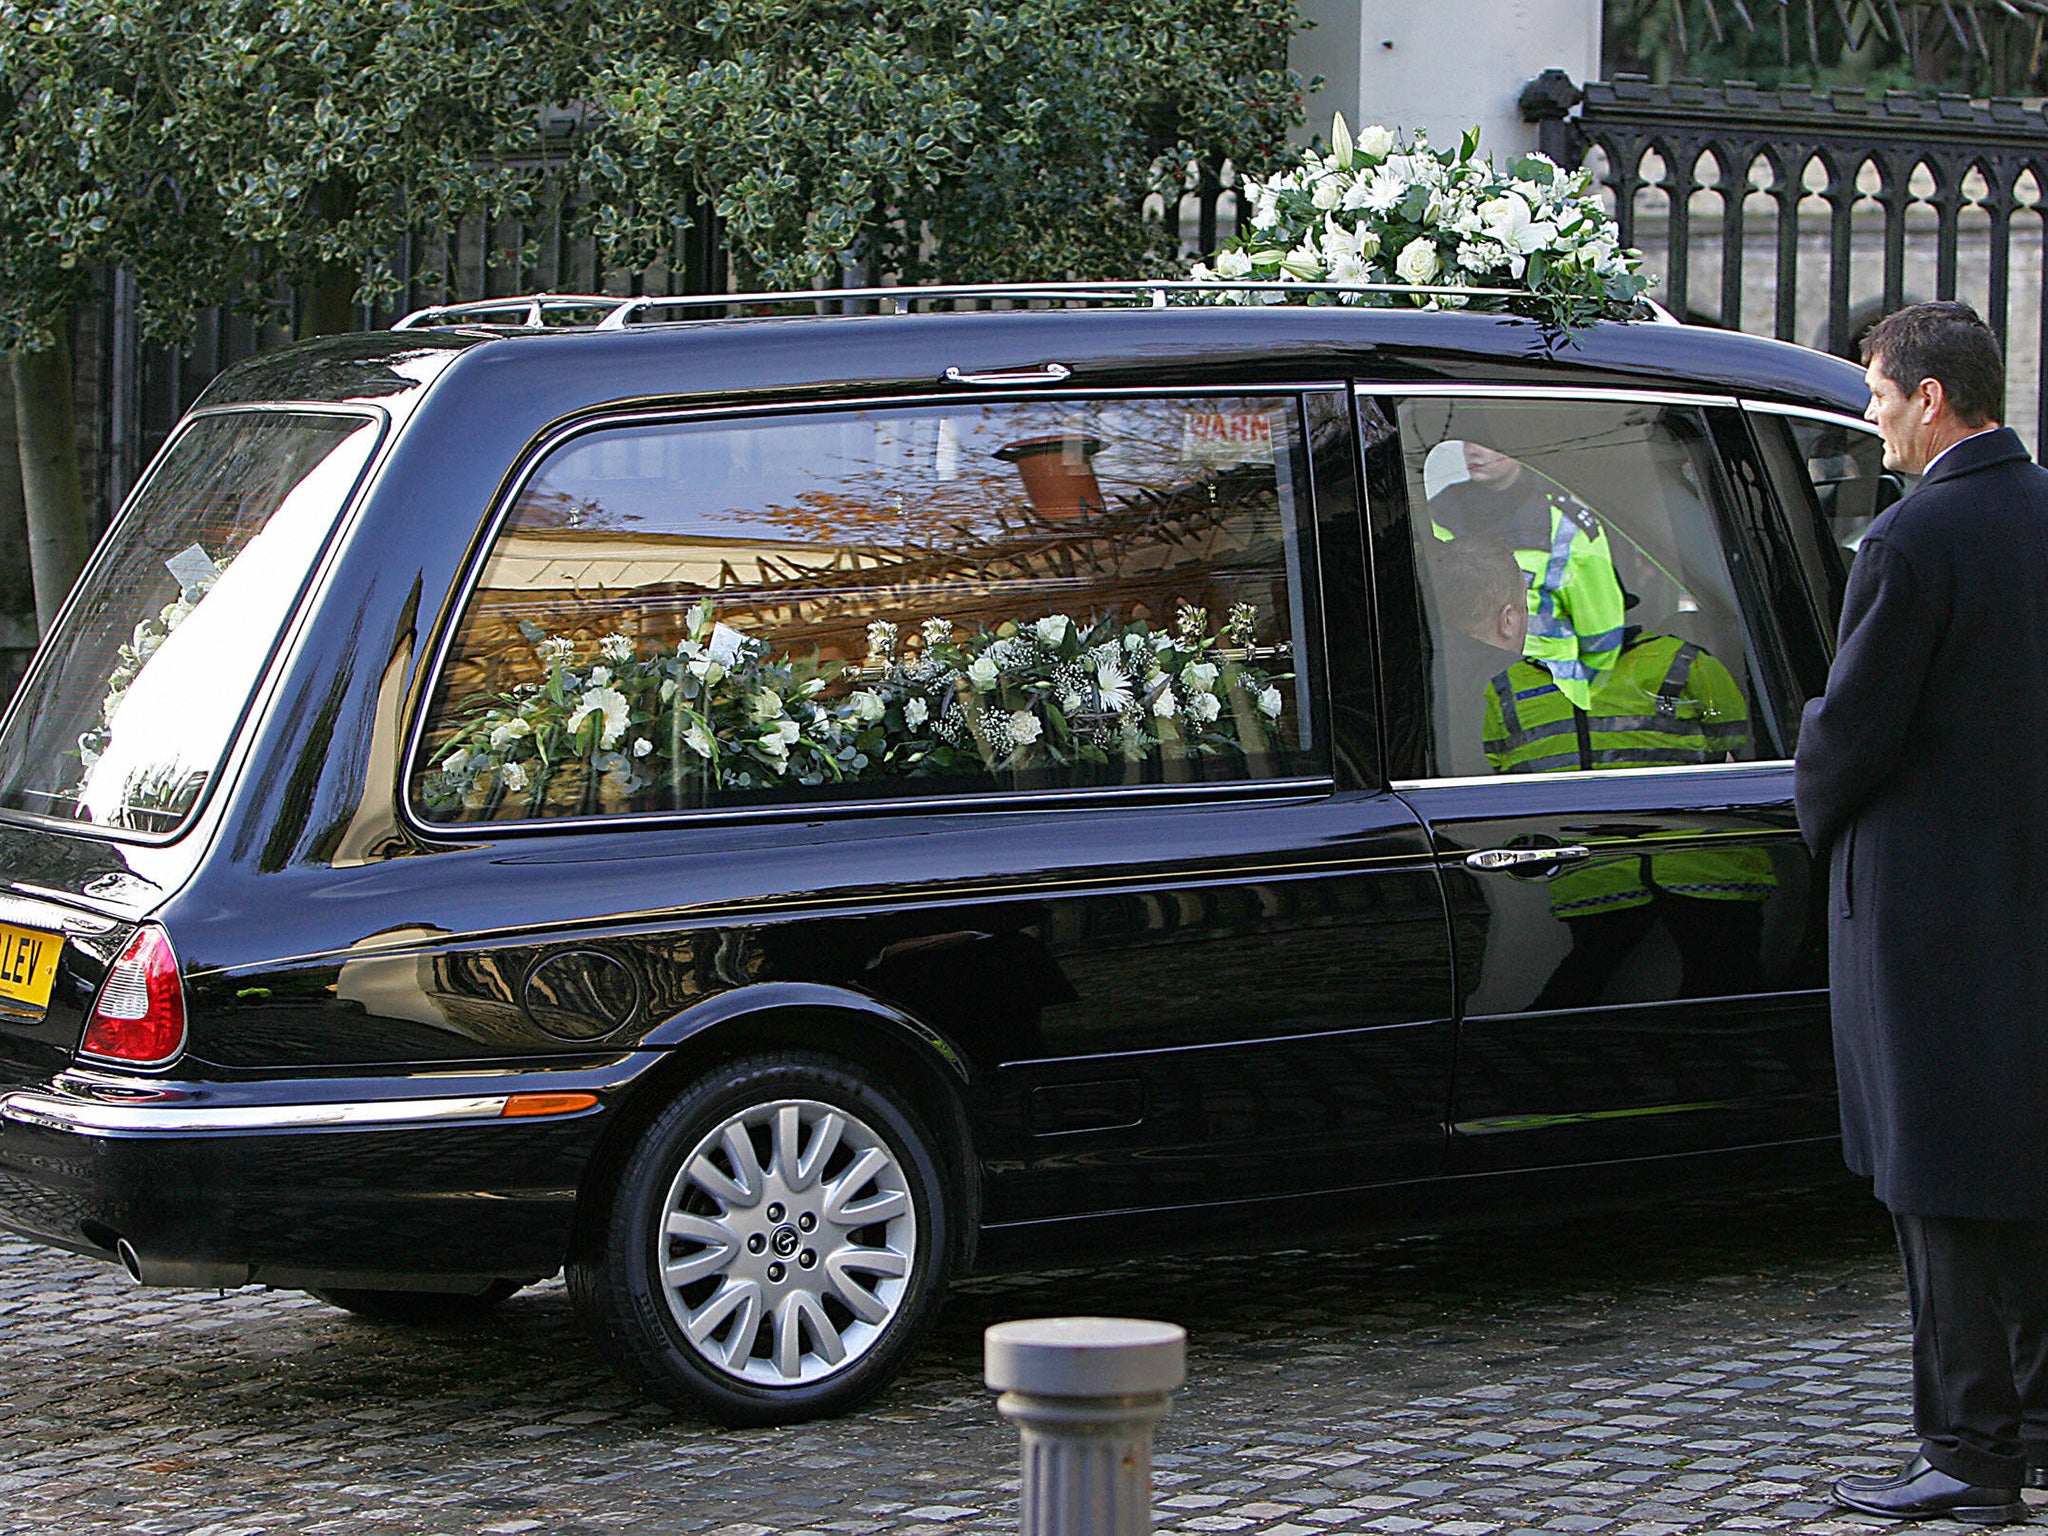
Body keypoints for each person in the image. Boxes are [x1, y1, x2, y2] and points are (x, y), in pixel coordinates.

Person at [1795, 300, 2048, 1526]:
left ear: (1929, 398)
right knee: (2029, 1160)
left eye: (1876, 395)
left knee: (1934, 1175)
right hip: (2029, 892)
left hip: (1928, 908)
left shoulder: (1911, 539)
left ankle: (1968, 1449)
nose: (1870, 417)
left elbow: (1849, 732)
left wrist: (1812, 800)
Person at [1432, 542, 1773, 1007]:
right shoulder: (1683, 663)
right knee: (1685, 990)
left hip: (1659, 868)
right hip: (1629, 870)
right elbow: (1738, 748)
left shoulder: (1678, 662)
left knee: (1689, 986)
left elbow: (1744, 754)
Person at [1423, 438, 1629, 709]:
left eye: (1487, 440)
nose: (1473, 449)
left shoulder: (1566, 526)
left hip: (1552, 711)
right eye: (1468, 440)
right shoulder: (1433, 517)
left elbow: (1603, 642)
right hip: (1460, 708)